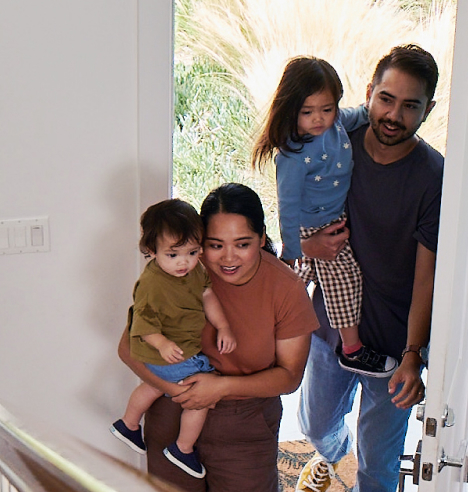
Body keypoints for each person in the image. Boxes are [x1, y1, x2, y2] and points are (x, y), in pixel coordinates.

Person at [295, 44, 444, 492]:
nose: (394, 114)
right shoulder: (339, 133)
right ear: (369, 94)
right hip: (331, 327)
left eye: (410, 105)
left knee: (377, 468)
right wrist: (306, 241)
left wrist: (414, 356)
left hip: (394, 346)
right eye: (386, 99)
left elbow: (427, 276)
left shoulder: (435, 177)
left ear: (428, 110)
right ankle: (330, 457)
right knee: (316, 427)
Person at [117, 183, 321, 491]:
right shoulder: (178, 268)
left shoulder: (286, 289)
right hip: (173, 410)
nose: (229, 258)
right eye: (214, 245)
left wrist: (220, 387)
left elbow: (290, 377)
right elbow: (128, 348)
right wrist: (177, 390)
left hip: (244, 425)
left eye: (243, 244)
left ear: (262, 238)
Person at [251, 56, 397, 378]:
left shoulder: (337, 124)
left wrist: (377, 110)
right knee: (343, 279)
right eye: (307, 112)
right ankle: (352, 350)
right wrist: (293, 250)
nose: (319, 119)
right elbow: (287, 205)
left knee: (292, 289)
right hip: (314, 224)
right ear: (292, 110)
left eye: (326, 109)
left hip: (334, 216)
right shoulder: (292, 153)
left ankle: (262, 339)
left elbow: (358, 113)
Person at [111, 198, 237, 478]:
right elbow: (141, 323)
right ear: (151, 250)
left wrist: (224, 326)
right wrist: (162, 343)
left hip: (169, 352)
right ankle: (183, 447)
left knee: (154, 386)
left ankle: (129, 424)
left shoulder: (195, 271)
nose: (184, 262)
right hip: (164, 351)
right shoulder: (153, 284)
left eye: (192, 252)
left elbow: (207, 295)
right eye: (173, 255)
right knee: (199, 394)